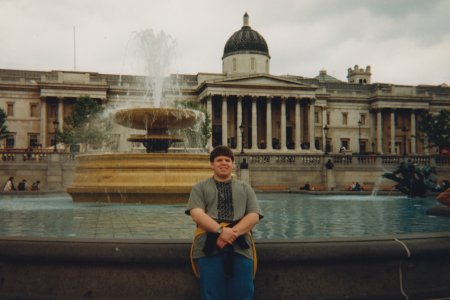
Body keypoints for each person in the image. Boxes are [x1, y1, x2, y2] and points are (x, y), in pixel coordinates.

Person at [186, 145, 263, 300]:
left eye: (227, 160)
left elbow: (254, 215)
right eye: (219, 160)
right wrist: (220, 231)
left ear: (233, 164)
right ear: (212, 164)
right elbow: (196, 214)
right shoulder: (199, 187)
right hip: (208, 244)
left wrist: (230, 234)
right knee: (211, 292)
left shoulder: (246, 188)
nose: (224, 163)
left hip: (240, 244)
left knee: (243, 290)